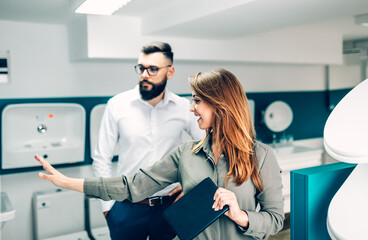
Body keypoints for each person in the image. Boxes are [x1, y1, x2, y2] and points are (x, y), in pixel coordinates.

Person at [36, 68, 285, 240]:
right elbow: (132, 185)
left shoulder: (261, 156)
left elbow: (275, 220)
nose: (191, 108)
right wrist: (68, 182)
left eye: (197, 101)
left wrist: (241, 216)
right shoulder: (185, 155)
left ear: (220, 105)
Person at [92, 41, 204, 240]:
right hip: (126, 207)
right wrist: (108, 209)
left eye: (153, 69)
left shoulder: (183, 107)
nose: (145, 74)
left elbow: (208, 147)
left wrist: (191, 185)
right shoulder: (117, 105)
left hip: (171, 207)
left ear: (170, 72)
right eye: (141, 68)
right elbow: (102, 159)